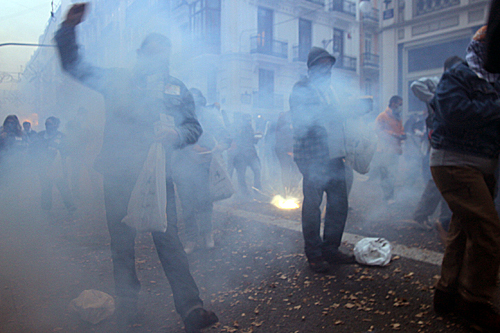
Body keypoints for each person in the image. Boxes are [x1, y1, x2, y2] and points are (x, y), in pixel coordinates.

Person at [55, 4, 218, 332]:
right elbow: (75, 65)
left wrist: (177, 134)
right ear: (141, 54)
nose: (158, 59)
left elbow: (193, 127)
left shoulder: (175, 87)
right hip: (118, 175)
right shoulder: (117, 80)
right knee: (122, 248)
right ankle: (128, 312)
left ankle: (191, 308)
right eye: (152, 52)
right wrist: (68, 29)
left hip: (159, 176)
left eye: (164, 53)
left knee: (170, 242)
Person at [430, 26, 500, 332]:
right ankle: (474, 302)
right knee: (487, 232)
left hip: (482, 167)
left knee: (463, 229)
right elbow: (453, 111)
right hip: (456, 163)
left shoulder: (496, 82)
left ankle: (447, 294)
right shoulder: (459, 75)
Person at [289, 47, 356, 273]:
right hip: (313, 157)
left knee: (339, 205)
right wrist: (330, 116)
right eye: (321, 65)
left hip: (335, 156)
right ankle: (315, 254)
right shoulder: (301, 89)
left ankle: (331, 249)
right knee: (312, 207)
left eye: (329, 65)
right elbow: (302, 122)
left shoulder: (330, 91)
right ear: (312, 68)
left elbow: (337, 119)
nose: (326, 70)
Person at [409, 56, 462, 239]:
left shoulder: (460, 86)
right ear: (447, 70)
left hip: (454, 138)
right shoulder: (438, 82)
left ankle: (445, 218)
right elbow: (416, 85)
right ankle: (423, 216)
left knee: (450, 178)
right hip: (440, 137)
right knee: (440, 177)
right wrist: (436, 100)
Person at [173, 88, 231, 254]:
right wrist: (189, 149)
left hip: (203, 165)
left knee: (205, 202)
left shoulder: (208, 115)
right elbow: (173, 138)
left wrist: (220, 145)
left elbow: (224, 134)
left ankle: (207, 235)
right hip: (182, 166)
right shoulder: (179, 116)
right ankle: (191, 238)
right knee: (187, 204)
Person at [33, 116, 76, 212]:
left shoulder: (62, 137)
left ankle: (70, 207)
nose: (48, 126)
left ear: (56, 125)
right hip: (43, 167)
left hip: (58, 167)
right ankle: (46, 210)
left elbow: (68, 151)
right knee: (46, 189)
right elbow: (34, 149)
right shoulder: (40, 136)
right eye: (46, 124)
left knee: (64, 188)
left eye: (50, 124)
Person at [374, 96, 405, 204]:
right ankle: (387, 196)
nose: (400, 107)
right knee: (385, 174)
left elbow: (401, 130)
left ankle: (390, 195)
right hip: (384, 150)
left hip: (395, 150)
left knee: (393, 173)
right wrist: (393, 135)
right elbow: (378, 130)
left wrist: (402, 135)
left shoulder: (398, 117)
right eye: (399, 104)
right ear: (393, 103)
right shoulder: (382, 116)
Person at [232, 113, 262, 198]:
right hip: (241, 155)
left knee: (257, 170)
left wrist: (257, 137)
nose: (249, 122)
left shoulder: (250, 128)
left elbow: (253, 141)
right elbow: (237, 140)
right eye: (248, 120)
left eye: (250, 120)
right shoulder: (238, 129)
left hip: (251, 154)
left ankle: (257, 189)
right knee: (241, 174)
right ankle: (243, 191)